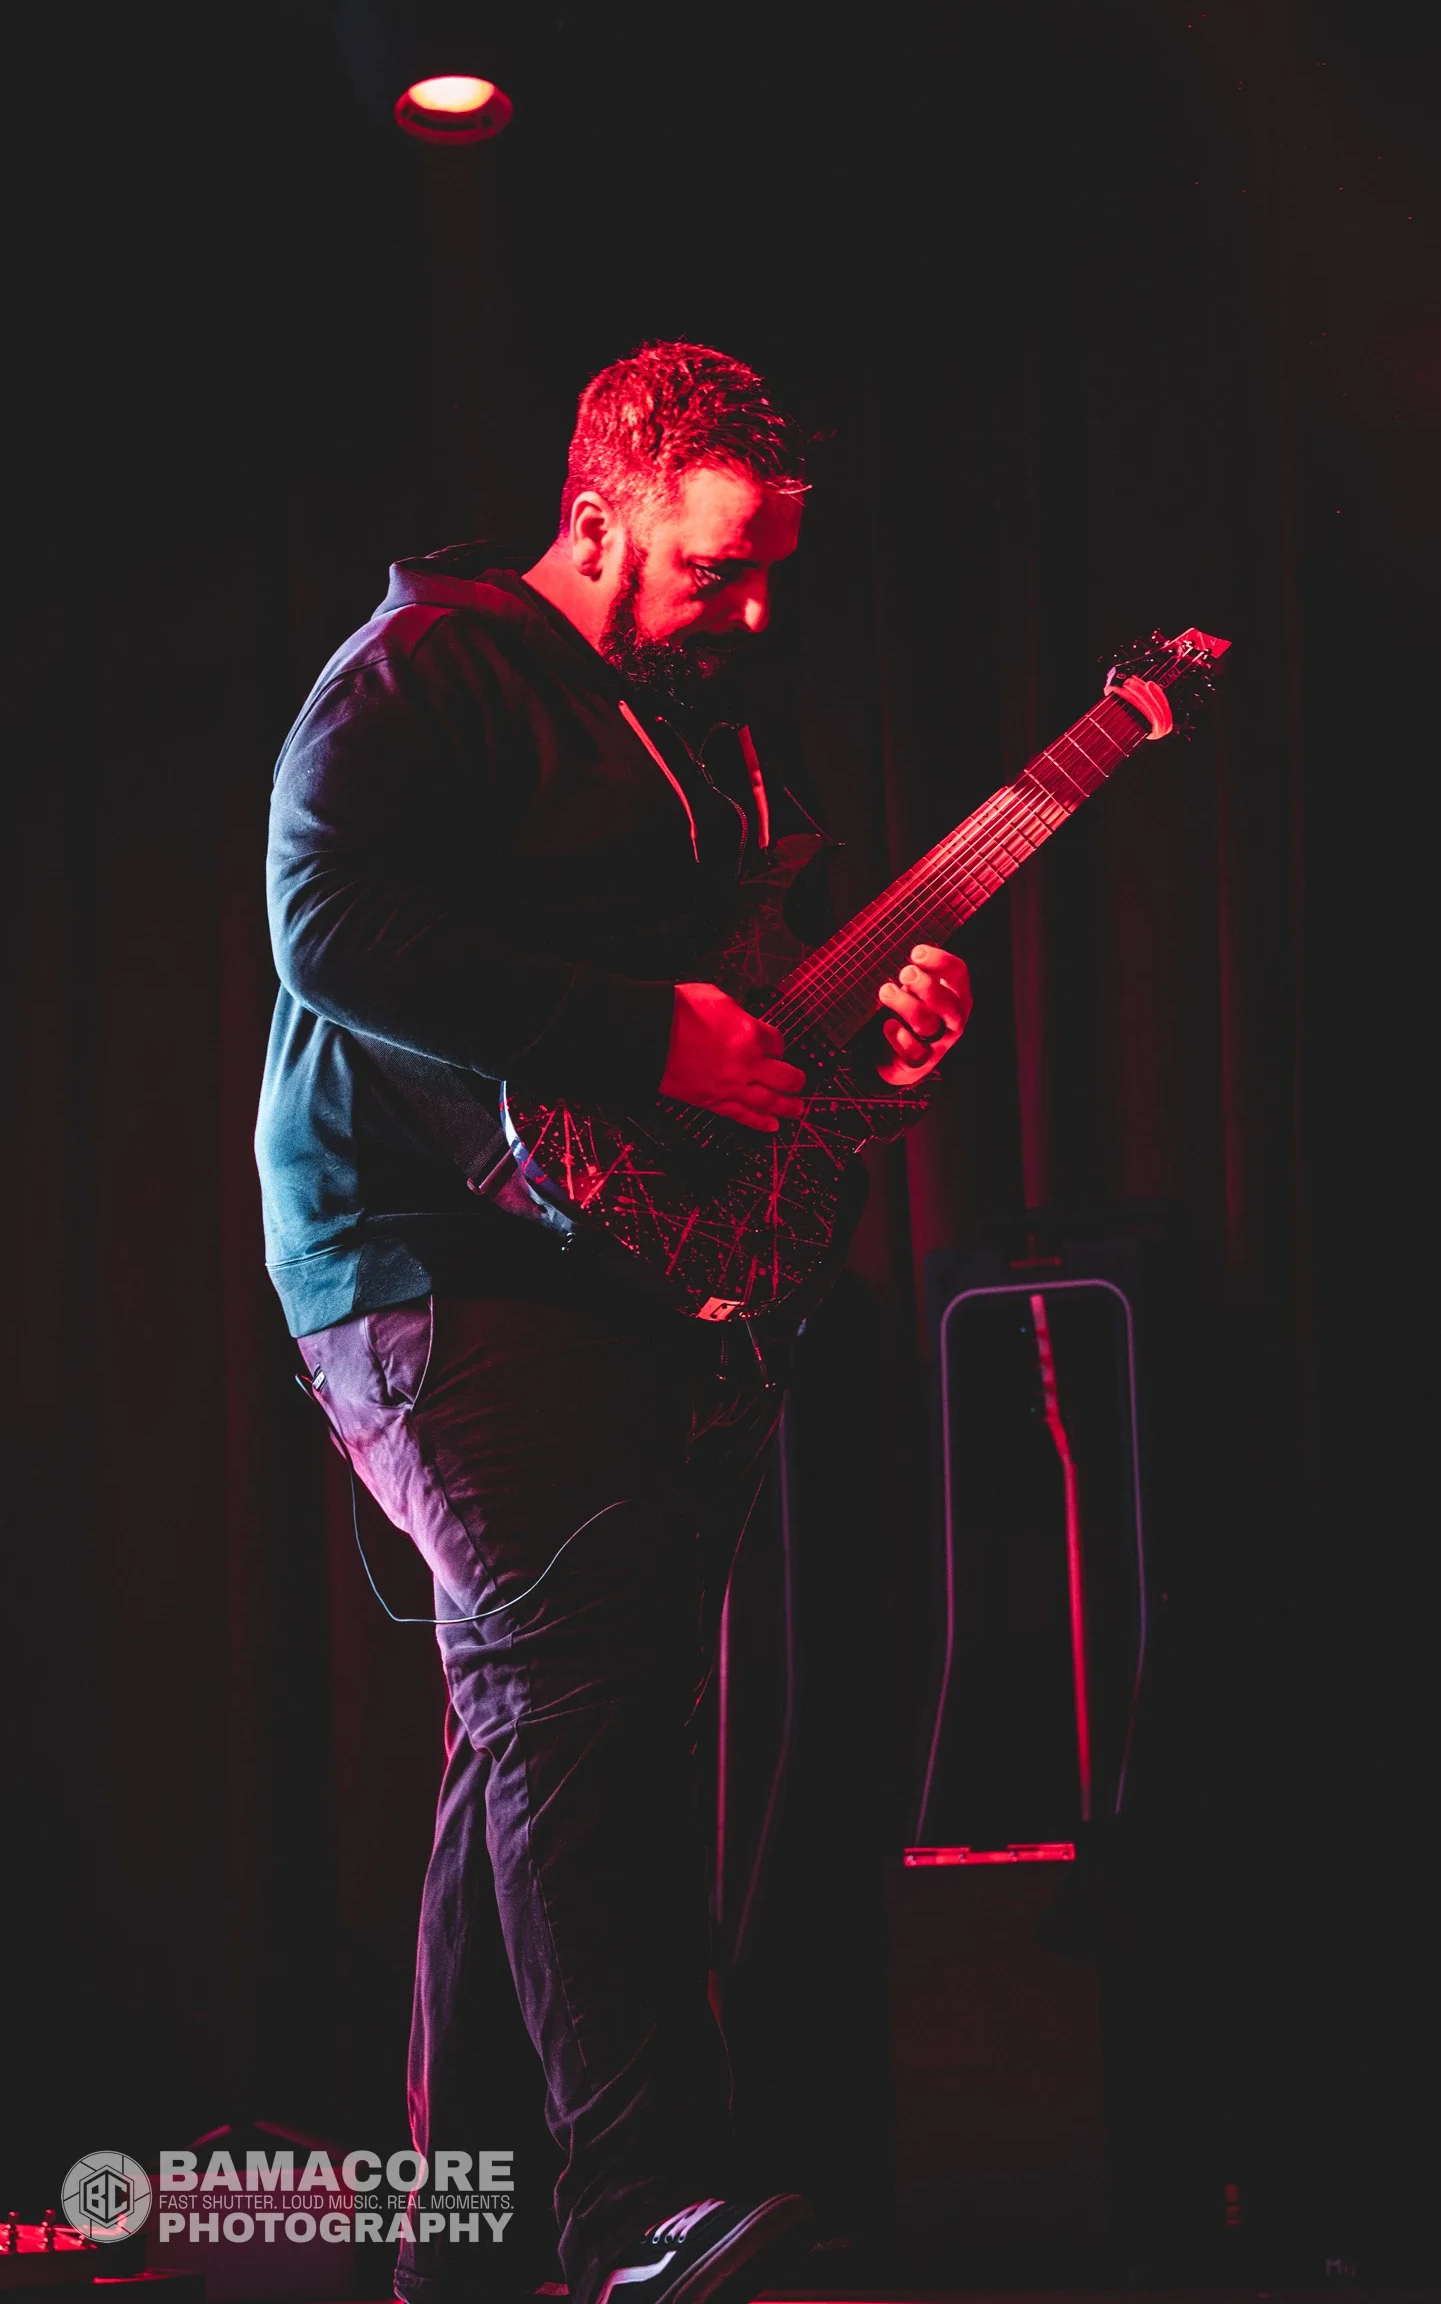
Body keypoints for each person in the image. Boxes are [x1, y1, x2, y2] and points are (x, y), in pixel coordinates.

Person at [254, 343, 971, 2304]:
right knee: (577, 1681)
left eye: (770, 575)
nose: (748, 610)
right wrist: (650, 1027)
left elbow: (753, 1023)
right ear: (606, 512)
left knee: (543, 1722)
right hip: (413, 1253)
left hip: (601, 1265)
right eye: (719, 565)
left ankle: (459, 2252)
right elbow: (323, 921)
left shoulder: (698, 737)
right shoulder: (433, 668)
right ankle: (638, 2196)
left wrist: (871, 1038)